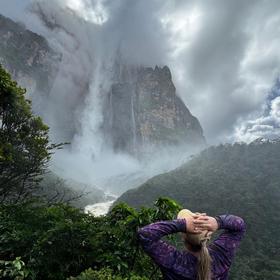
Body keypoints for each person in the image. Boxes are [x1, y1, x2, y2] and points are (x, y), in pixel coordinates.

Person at [137, 209, 245, 280]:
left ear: (183, 236)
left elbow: (145, 234)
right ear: (209, 235)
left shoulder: (175, 262)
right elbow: (239, 225)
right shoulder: (222, 256)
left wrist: (182, 224)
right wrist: (217, 222)